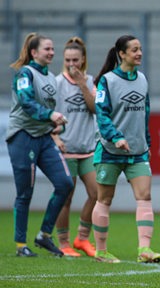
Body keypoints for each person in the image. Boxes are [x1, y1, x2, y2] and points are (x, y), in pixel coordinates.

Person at [91, 34, 160, 264]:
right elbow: (101, 114)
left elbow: (145, 114)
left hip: (138, 152)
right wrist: (116, 137)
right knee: (104, 199)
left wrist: (147, 143)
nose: (139, 53)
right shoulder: (107, 81)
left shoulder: (142, 79)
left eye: (140, 49)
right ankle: (101, 251)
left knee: (145, 197)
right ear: (121, 53)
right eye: (134, 50)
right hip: (110, 151)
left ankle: (145, 249)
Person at [7, 32, 74, 257]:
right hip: (22, 136)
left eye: (53, 49)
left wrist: (57, 126)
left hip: (44, 137)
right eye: (47, 49)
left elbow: (49, 114)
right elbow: (26, 103)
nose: (52, 52)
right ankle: (20, 245)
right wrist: (50, 115)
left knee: (65, 183)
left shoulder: (51, 78)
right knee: (25, 192)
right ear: (34, 52)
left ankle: (44, 235)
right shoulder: (25, 74)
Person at [52, 36, 98, 257]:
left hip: (87, 148)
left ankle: (82, 238)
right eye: (68, 60)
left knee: (96, 193)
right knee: (66, 197)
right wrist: (55, 137)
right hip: (65, 149)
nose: (72, 64)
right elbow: (48, 114)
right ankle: (63, 243)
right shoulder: (56, 83)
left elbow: (94, 109)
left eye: (76, 60)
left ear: (83, 60)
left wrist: (82, 84)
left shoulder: (89, 82)